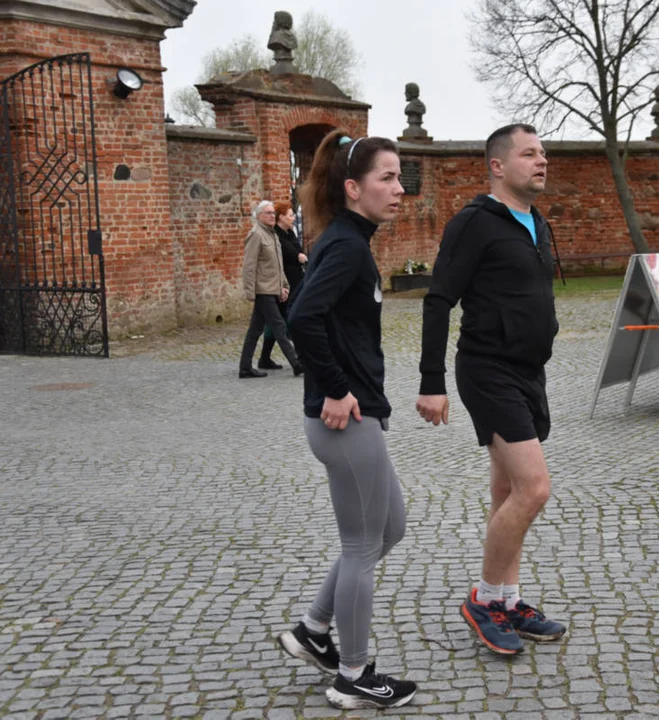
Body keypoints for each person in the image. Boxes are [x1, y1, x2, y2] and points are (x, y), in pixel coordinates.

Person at [277, 130, 416, 710]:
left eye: (399, 177)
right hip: (344, 418)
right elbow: (303, 318)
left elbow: (325, 319)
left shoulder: (348, 240)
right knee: (362, 545)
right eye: (387, 177)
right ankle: (354, 675)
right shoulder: (347, 245)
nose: (399, 189)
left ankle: (313, 630)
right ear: (354, 188)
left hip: (356, 415)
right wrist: (334, 389)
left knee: (390, 528)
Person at [416, 123, 567, 655]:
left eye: (543, 153)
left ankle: (508, 600)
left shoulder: (535, 223)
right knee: (534, 489)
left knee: (506, 492)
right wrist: (431, 382)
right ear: (498, 165)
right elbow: (438, 300)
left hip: (529, 372)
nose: (541, 161)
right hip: (487, 370)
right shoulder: (474, 224)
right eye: (529, 154)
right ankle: (484, 600)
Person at [237, 200, 301, 378]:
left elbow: (277, 265)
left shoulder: (272, 235)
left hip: (273, 288)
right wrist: (250, 291)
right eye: (268, 213)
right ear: (259, 216)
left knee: (255, 330)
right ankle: (297, 363)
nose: (272, 215)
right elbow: (249, 265)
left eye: (273, 213)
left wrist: (283, 286)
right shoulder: (256, 235)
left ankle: (245, 367)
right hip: (263, 289)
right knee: (279, 326)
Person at [258, 200, 307, 371]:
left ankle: (264, 358)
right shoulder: (275, 235)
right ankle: (300, 358)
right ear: (281, 218)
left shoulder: (289, 232)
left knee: (275, 322)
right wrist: (297, 257)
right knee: (289, 320)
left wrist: (299, 256)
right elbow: (287, 255)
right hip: (283, 284)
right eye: (290, 215)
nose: (293, 218)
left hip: (296, 281)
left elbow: (298, 249)